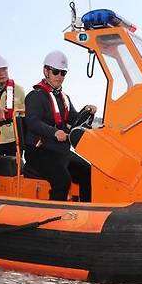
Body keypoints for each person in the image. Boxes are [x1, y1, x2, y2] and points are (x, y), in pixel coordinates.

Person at [24, 50, 97, 202]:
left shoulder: (64, 98)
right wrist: (54, 132)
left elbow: (75, 118)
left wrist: (87, 111)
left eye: (63, 73)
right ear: (46, 71)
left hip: (59, 150)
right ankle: (55, 218)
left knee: (88, 172)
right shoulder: (35, 96)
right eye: (55, 72)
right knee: (62, 181)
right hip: (39, 151)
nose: (59, 77)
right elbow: (32, 122)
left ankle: (85, 213)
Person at [0, 54, 26, 156]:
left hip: (14, 141)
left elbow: (25, 117)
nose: (2, 73)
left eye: (4, 69)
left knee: (15, 169)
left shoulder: (19, 90)